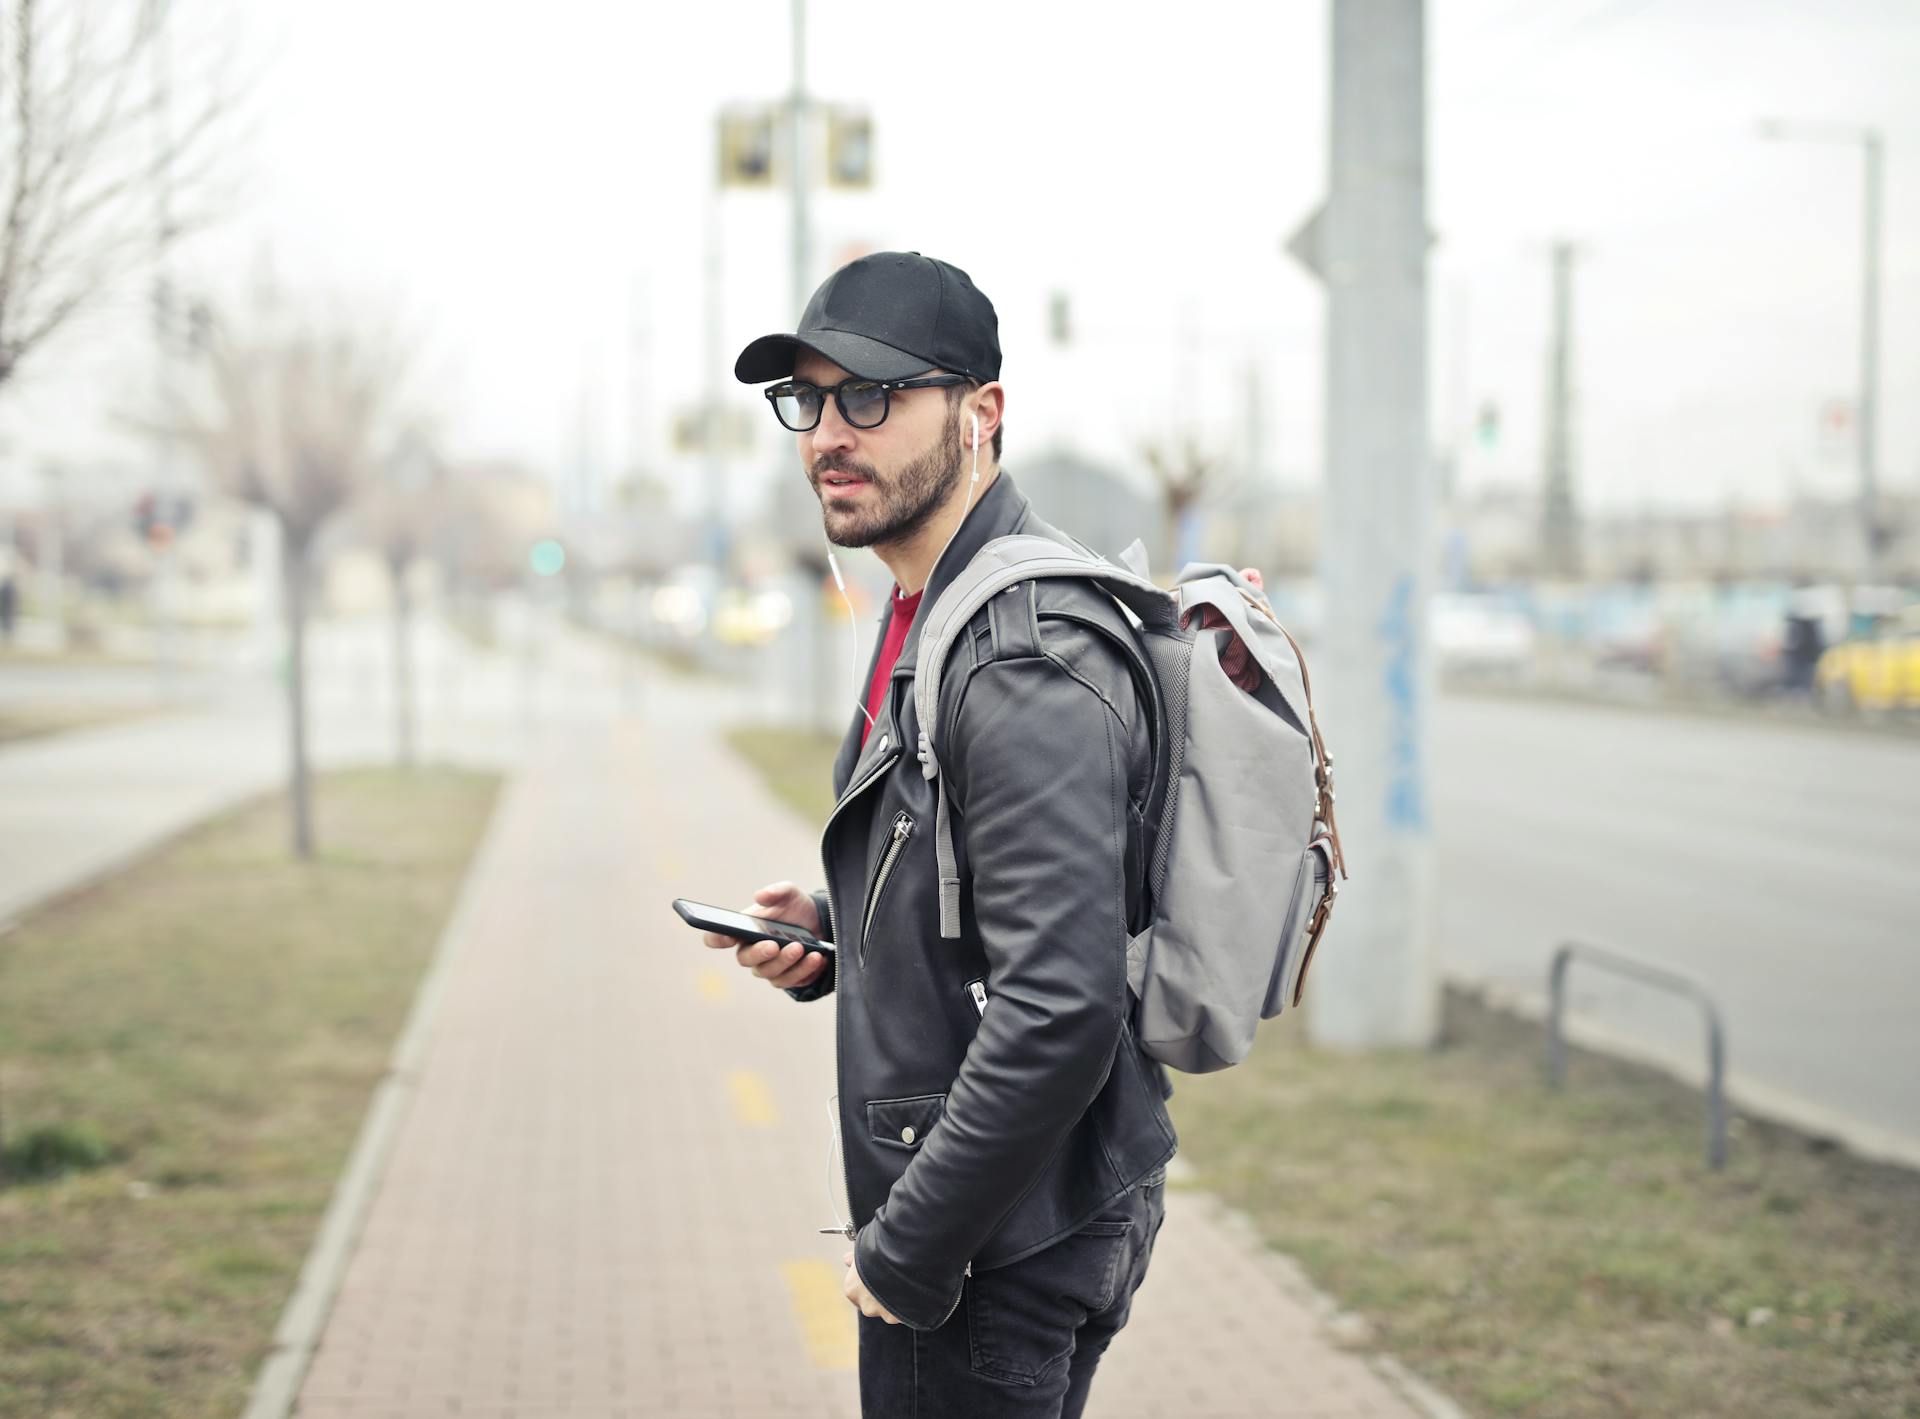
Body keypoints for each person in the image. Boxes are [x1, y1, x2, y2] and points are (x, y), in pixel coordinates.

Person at [702, 251, 1181, 1417]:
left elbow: (1059, 1003)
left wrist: (908, 1247)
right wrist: (837, 941)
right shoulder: (936, 608)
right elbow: (987, 900)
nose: (829, 433)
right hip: (1003, 1212)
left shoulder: (1019, 655)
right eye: (807, 400)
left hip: (992, 1242)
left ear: (982, 415)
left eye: (872, 395)